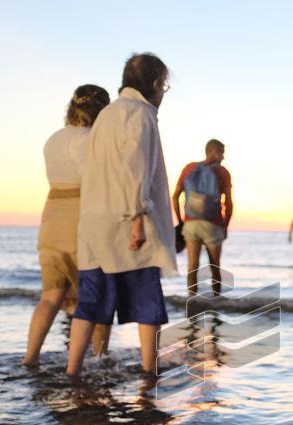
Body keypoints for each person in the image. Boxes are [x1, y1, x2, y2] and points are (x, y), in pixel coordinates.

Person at [68, 53, 178, 377]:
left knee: (90, 299)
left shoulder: (106, 115)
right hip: (126, 219)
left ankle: (72, 371)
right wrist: (139, 218)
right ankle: (149, 371)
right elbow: (135, 168)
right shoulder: (141, 113)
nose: (163, 93)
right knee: (148, 302)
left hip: (94, 219)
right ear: (155, 84)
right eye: (164, 85)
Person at [23, 84, 113, 367]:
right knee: (95, 297)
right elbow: (94, 182)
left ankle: (30, 357)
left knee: (50, 296)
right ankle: (99, 360)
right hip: (80, 218)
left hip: (51, 217)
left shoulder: (53, 139)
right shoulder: (91, 139)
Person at [172, 139, 233, 296]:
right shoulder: (222, 172)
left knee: (192, 267)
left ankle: (191, 302)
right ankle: (216, 304)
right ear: (213, 151)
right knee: (215, 267)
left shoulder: (189, 168)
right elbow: (229, 203)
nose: (223, 157)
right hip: (213, 225)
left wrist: (181, 222)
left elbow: (175, 197)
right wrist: (225, 225)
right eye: (222, 153)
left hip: (191, 224)